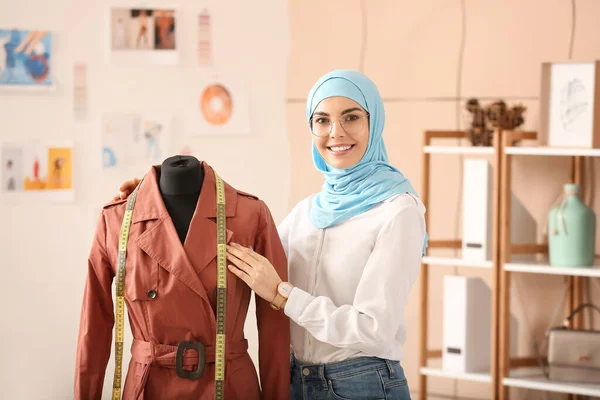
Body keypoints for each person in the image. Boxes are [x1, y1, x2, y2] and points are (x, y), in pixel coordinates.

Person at [115, 69, 428, 400]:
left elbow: (373, 329)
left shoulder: (398, 212)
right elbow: (233, 246)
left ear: (374, 122)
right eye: (322, 121)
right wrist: (158, 203)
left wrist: (283, 295)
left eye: (351, 117)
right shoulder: (308, 212)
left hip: (364, 383)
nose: (336, 132)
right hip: (297, 382)